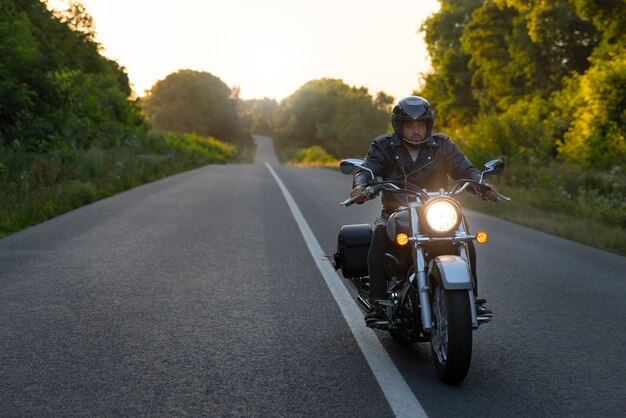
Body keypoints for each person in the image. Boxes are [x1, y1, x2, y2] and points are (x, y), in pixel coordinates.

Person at [349, 96, 497, 326]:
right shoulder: (384, 146)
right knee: (379, 233)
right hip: (397, 211)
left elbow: (464, 168)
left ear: (429, 125)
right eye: (410, 125)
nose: (416, 131)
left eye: (421, 125)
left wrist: (481, 185)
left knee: (463, 233)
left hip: (436, 211)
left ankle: (471, 298)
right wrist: (360, 186)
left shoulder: (442, 145)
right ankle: (377, 303)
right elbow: (367, 167)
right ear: (399, 127)